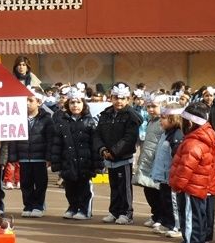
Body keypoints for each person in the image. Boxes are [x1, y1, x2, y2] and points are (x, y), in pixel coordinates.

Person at [169, 102, 215, 243]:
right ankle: (198, 241)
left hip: (191, 186)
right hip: (199, 184)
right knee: (198, 214)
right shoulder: (205, 135)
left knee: (190, 216)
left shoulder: (193, 143)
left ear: (190, 123)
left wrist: (177, 185)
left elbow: (186, 168)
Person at [94, 83, 143, 225]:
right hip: (108, 157)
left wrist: (114, 151)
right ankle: (114, 211)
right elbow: (97, 134)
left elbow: (129, 138)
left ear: (128, 99)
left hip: (123, 158)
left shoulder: (131, 116)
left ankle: (126, 213)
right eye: (116, 98)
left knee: (124, 187)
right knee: (114, 186)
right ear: (111, 97)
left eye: (122, 98)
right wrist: (103, 149)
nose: (119, 101)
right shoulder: (105, 114)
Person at [51, 88, 100, 220]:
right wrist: (56, 162)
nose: (75, 105)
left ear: (84, 104)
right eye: (72, 102)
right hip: (68, 161)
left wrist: (97, 164)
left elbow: (95, 144)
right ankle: (72, 207)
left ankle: (84, 210)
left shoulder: (90, 122)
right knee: (70, 188)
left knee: (84, 188)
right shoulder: (62, 122)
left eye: (78, 102)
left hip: (85, 162)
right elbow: (57, 144)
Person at [10, 89, 54, 218]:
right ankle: (28, 205)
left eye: (30, 100)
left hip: (39, 158)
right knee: (25, 183)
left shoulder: (47, 119)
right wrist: (14, 156)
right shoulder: (18, 118)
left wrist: (49, 157)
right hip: (24, 157)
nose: (27, 103)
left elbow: (50, 139)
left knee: (40, 183)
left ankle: (38, 206)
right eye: (25, 100)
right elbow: (13, 138)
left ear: (39, 102)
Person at [149, 103, 184, 238]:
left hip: (171, 176)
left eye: (163, 118)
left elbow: (176, 158)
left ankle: (177, 226)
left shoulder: (176, 135)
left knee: (173, 202)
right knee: (165, 201)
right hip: (164, 176)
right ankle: (168, 223)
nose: (160, 121)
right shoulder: (166, 134)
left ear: (173, 118)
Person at [132, 94, 167, 229]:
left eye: (154, 106)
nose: (151, 109)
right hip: (147, 160)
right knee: (148, 190)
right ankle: (155, 215)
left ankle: (162, 217)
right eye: (148, 107)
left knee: (158, 192)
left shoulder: (163, 122)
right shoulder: (151, 122)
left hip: (157, 162)